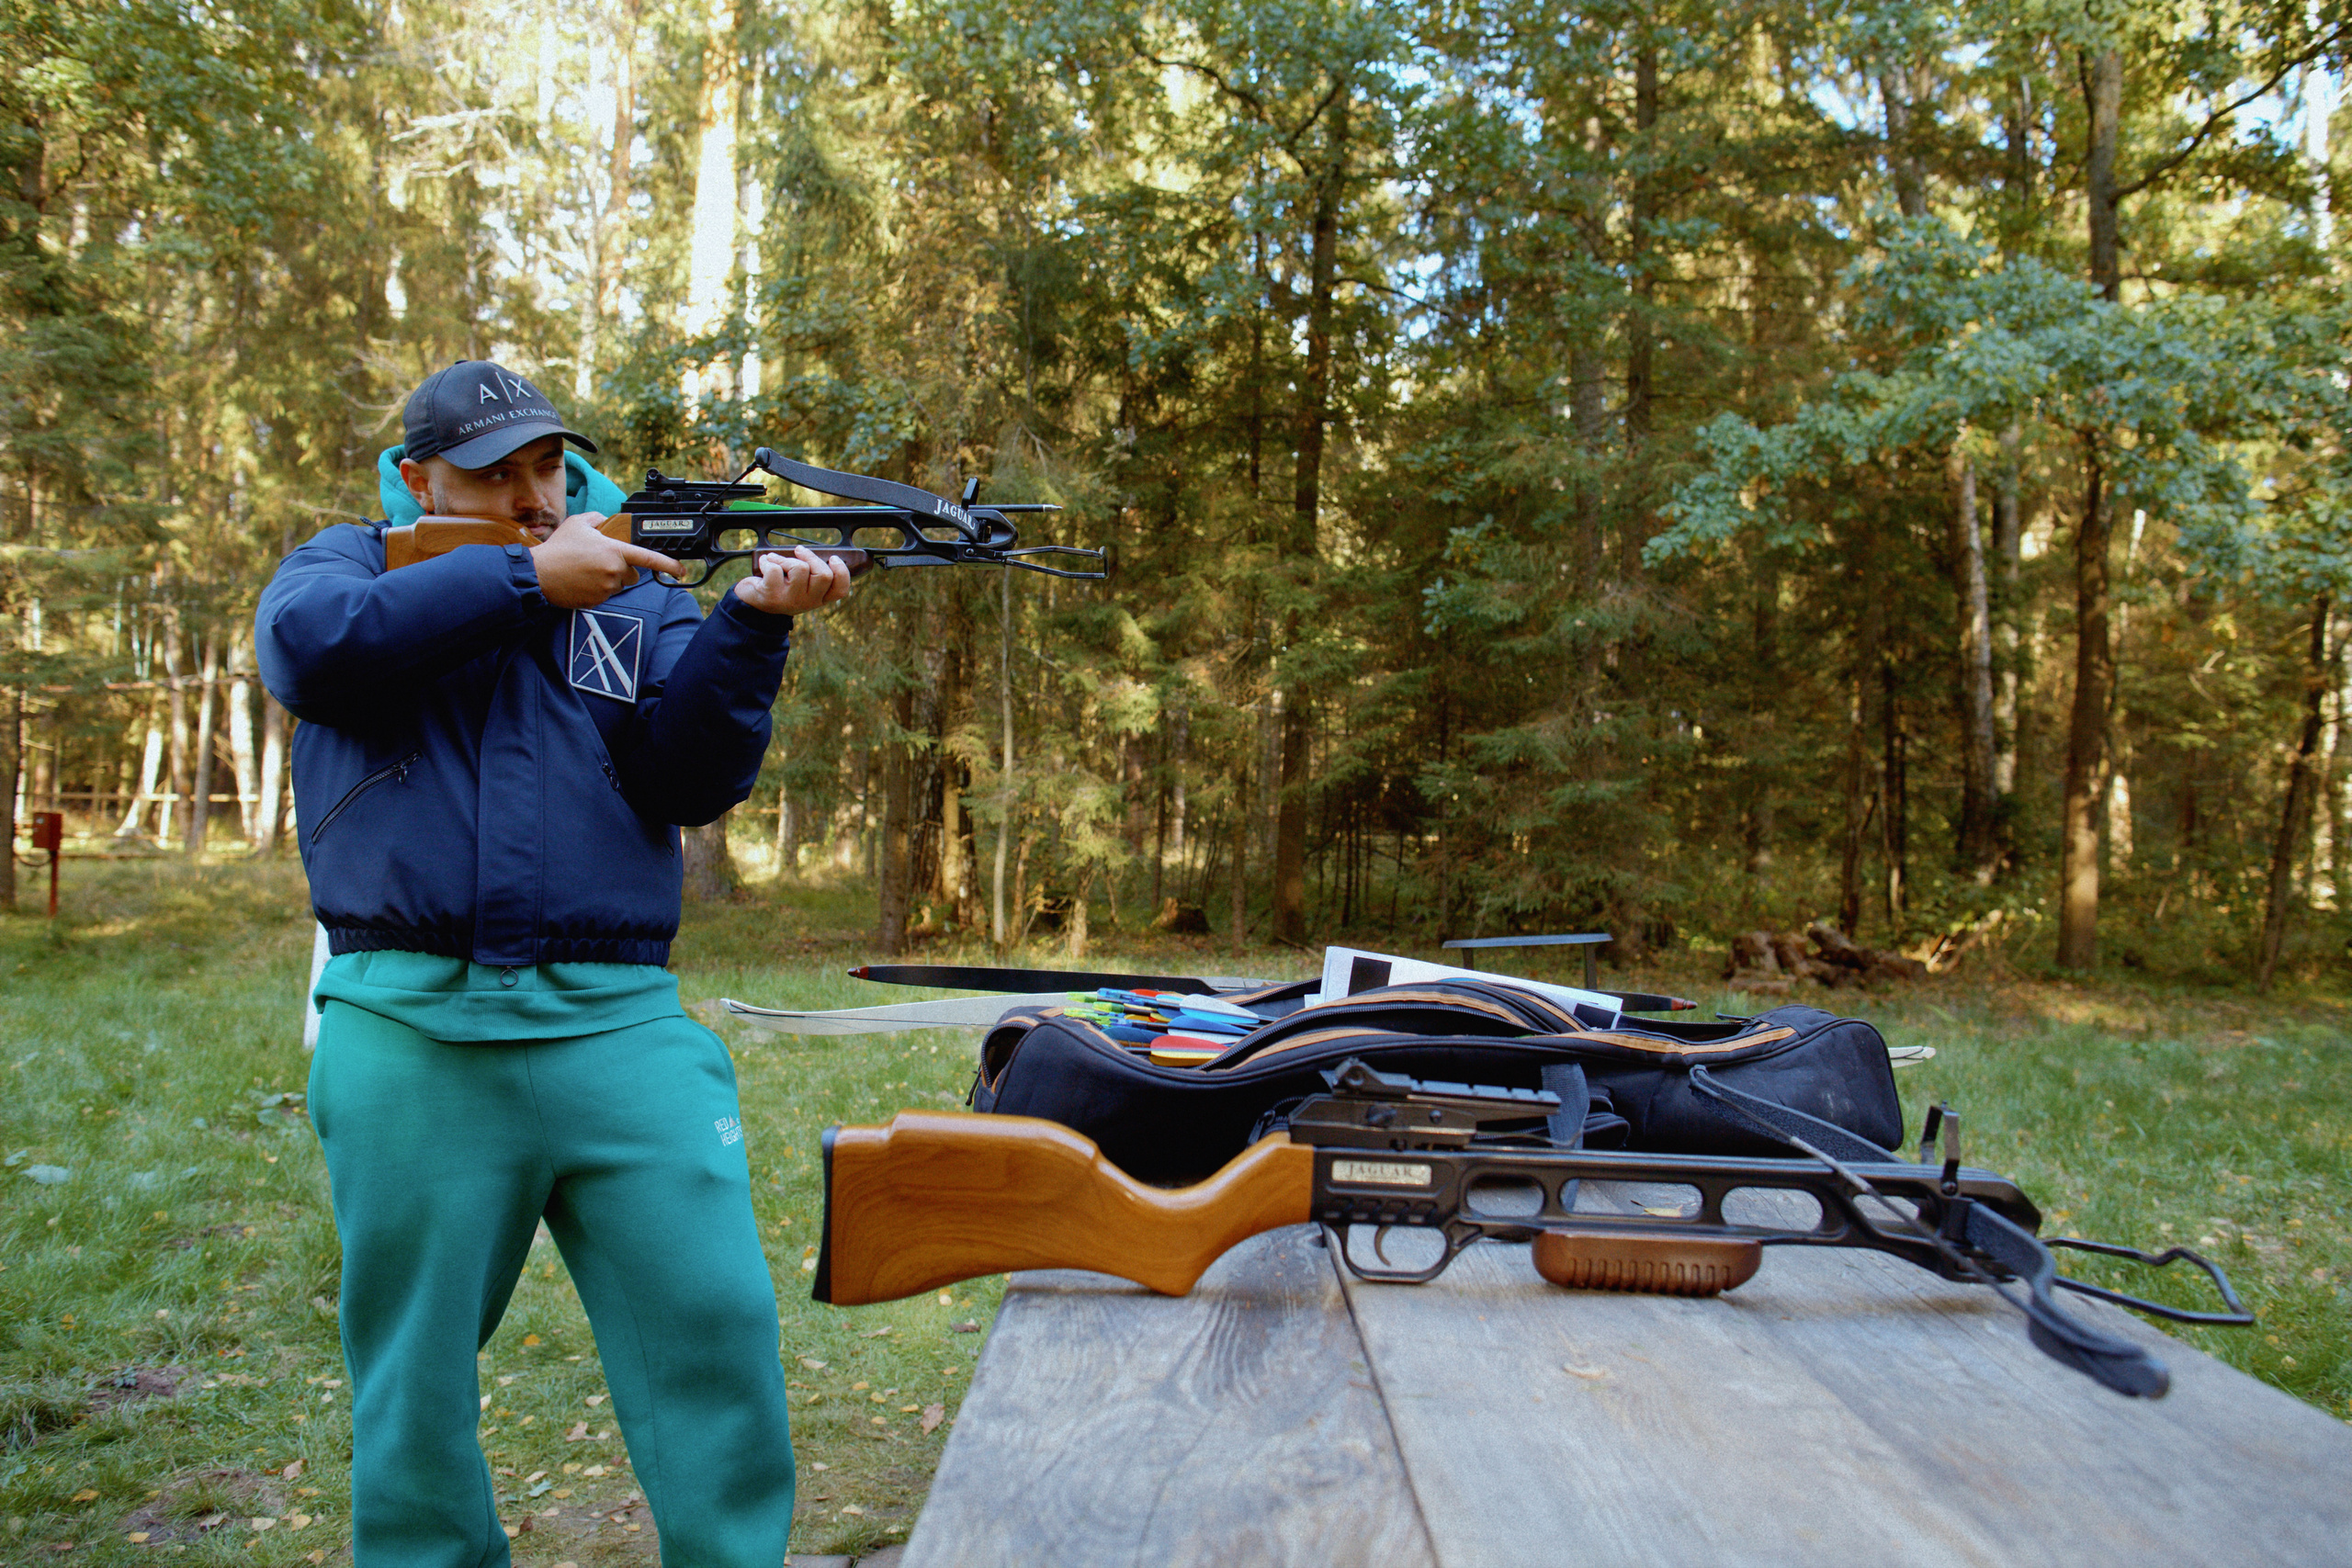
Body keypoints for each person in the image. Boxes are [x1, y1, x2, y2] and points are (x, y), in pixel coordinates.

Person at [255, 360, 850, 1567]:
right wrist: (527, 581)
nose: (532, 494)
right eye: (493, 475)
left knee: (717, 1322)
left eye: (548, 468)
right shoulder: (351, 562)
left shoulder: (637, 592)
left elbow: (687, 782)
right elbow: (309, 655)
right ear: (418, 478)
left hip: (622, 1023)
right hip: (411, 1029)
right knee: (412, 1383)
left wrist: (749, 627)